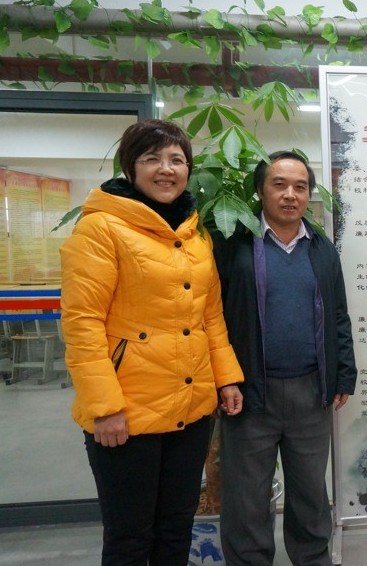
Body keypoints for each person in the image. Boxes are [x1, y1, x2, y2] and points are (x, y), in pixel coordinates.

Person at [60, 119, 245, 565]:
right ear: (131, 167)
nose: (166, 169)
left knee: (176, 529)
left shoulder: (195, 234)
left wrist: (226, 379)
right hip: (127, 414)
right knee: (130, 538)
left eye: (177, 160)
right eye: (152, 158)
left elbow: (210, 317)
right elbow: (82, 323)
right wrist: (105, 407)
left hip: (191, 408)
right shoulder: (100, 229)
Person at [213, 150, 358, 566]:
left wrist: (343, 374)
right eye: (279, 185)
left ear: (309, 194)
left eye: (300, 186)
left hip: (311, 391)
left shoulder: (322, 249)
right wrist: (224, 378)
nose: (290, 195)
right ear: (260, 191)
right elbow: (212, 317)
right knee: (246, 496)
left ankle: (312, 558)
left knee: (310, 492)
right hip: (248, 394)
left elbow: (338, 315)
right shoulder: (234, 245)